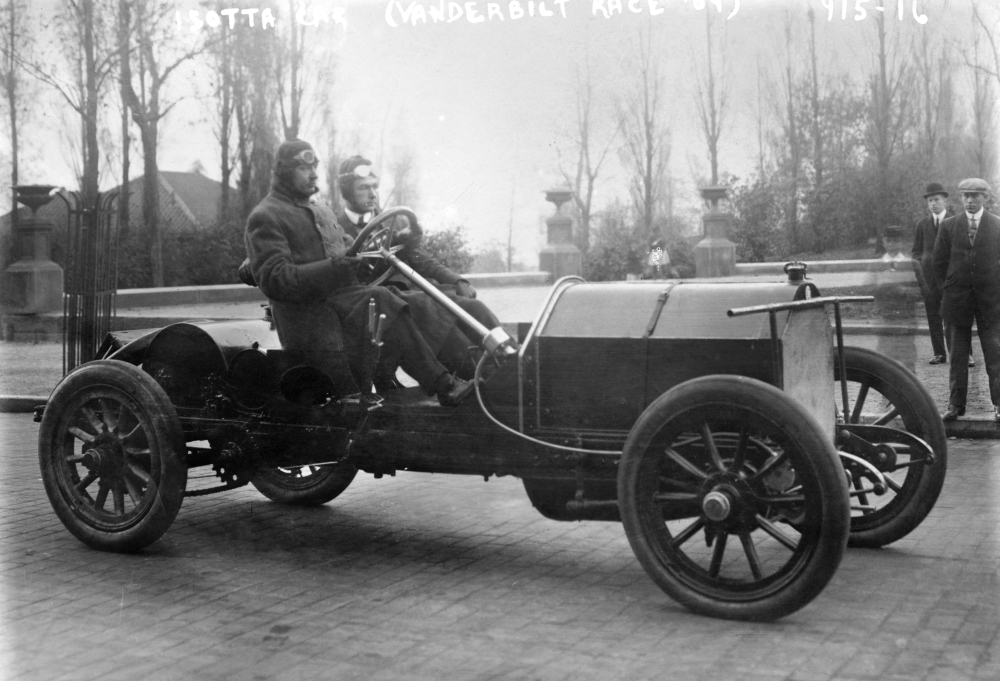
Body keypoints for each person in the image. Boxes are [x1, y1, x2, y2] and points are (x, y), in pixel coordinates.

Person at [243, 140, 474, 406]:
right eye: (303, 168)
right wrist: (334, 268)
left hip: (341, 304)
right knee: (381, 298)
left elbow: (348, 251)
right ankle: (442, 383)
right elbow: (275, 279)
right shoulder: (266, 215)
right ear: (283, 171)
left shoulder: (321, 211)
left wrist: (389, 243)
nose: (314, 174)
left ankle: (470, 370)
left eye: (314, 167)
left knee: (416, 300)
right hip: (309, 316)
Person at [335, 155, 502, 351]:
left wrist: (456, 280)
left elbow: (418, 258)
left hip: (417, 292)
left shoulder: (390, 221)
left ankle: (514, 358)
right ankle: (478, 372)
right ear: (347, 192)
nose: (373, 194)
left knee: (476, 309)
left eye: (374, 187)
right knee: (445, 329)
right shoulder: (336, 230)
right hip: (388, 304)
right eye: (364, 188)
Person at [932, 178, 1000, 421]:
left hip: (990, 301)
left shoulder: (997, 225)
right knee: (958, 357)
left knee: (995, 355)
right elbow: (938, 263)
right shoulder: (949, 226)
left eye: (976, 196)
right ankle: (955, 406)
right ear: (960, 199)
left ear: (986, 198)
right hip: (956, 300)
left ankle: (999, 405)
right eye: (966, 196)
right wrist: (949, 289)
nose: (970, 201)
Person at [911, 182, 959, 365]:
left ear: (945, 200)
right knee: (933, 316)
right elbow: (916, 252)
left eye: (937, 199)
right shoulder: (922, 225)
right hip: (929, 281)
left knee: (955, 317)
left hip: (951, 280)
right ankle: (939, 353)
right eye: (930, 200)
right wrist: (921, 274)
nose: (933, 203)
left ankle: (962, 354)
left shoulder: (956, 222)